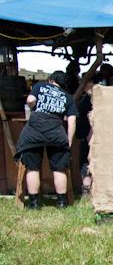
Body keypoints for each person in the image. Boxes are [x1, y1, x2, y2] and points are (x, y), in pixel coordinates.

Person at [15, 71, 77, 209]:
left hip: (34, 132)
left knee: (33, 167)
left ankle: (33, 204)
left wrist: (34, 109)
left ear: (51, 80)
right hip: (56, 133)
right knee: (59, 168)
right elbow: (72, 122)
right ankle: (61, 203)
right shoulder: (67, 97)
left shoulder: (40, 86)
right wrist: (68, 142)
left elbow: (30, 100)